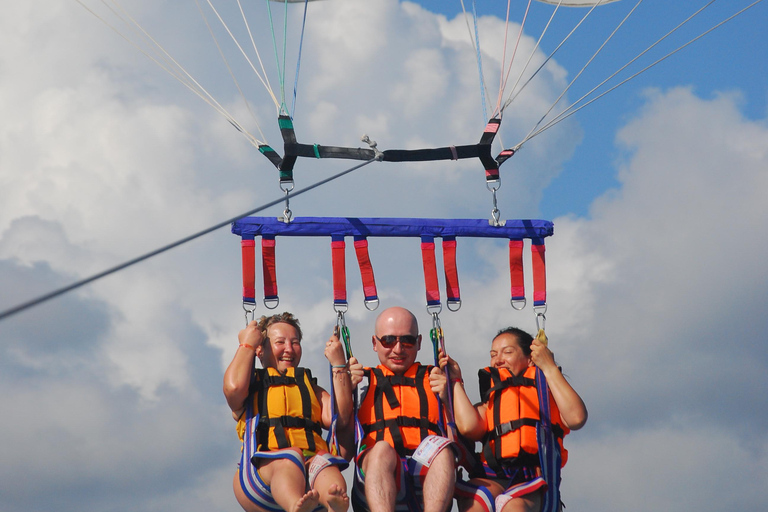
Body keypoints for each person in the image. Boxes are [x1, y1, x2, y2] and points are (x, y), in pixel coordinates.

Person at [443, 327, 588, 512]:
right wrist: (455, 382)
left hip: (534, 480)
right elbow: (470, 427)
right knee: (474, 502)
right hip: (492, 476)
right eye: (493, 354)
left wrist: (548, 367)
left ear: (530, 358)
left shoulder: (549, 394)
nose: (498, 360)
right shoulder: (492, 399)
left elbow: (576, 418)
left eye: (508, 352)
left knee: (513, 506)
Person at [223, 312, 356, 512]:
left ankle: (333, 502)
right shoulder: (249, 388)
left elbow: (341, 417)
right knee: (290, 458)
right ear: (261, 350)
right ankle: (295, 505)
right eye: (280, 342)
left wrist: (339, 368)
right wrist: (247, 344)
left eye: (295, 342)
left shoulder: (310, 388)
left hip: (309, 467)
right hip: (262, 474)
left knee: (326, 464)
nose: (289, 349)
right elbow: (232, 388)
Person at [347, 306, 456, 512]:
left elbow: (460, 436)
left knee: (442, 448)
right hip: (375, 473)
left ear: (419, 342)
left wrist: (452, 394)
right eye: (388, 340)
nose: (398, 349)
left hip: (427, 474)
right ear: (374, 343)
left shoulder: (436, 380)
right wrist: (342, 384)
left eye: (407, 340)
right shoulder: (361, 382)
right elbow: (342, 444)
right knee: (381, 450)